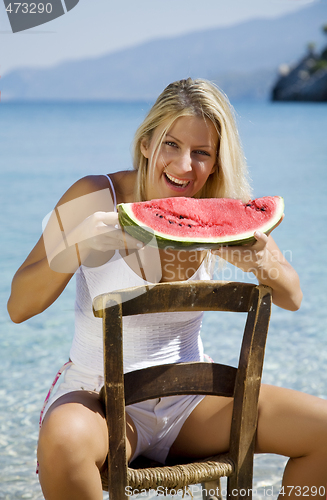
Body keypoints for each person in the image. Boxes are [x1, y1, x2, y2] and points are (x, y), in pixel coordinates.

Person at [7, 78, 327, 500]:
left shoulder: (218, 211)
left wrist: (262, 261)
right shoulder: (94, 197)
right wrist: (77, 246)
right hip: (101, 403)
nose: (183, 166)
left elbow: (293, 295)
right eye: (171, 145)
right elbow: (18, 306)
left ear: (215, 163)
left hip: (192, 404)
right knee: (64, 441)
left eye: (201, 153)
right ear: (145, 143)